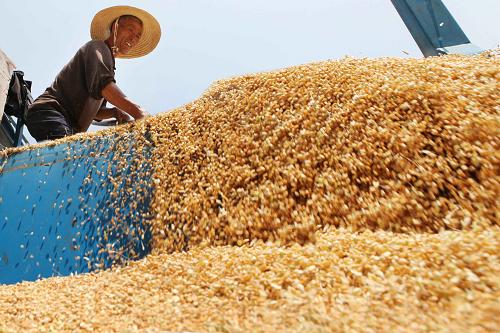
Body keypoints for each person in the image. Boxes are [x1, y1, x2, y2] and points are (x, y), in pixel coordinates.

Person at [25, 6, 161, 142]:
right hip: (50, 111)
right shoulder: (98, 48)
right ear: (115, 26)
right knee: (69, 154)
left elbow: (96, 112)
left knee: (73, 153)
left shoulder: (108, 66)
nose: (134, 38)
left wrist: (114, 112)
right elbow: (105, 87)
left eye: (138, 35)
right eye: (131, 29)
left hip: (68, 125)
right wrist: (138, 112)